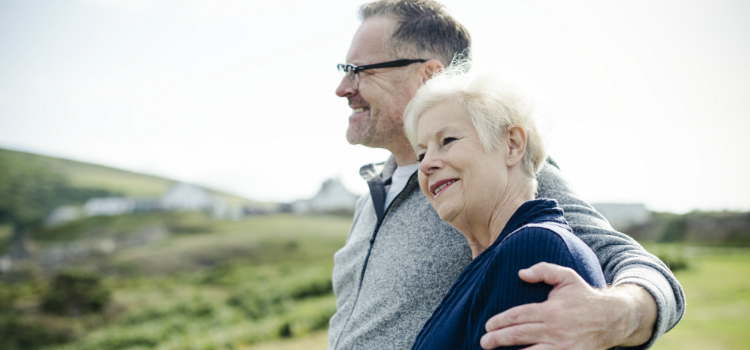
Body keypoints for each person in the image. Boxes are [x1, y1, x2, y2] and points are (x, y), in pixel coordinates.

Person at [329, 1, 685, 349]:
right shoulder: (371, 196)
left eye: (358, 70)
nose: (343, 88)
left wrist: (616, 317)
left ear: (431, 75)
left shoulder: (498, 170)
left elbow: (630, 263)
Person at [405, 65, 607, 349]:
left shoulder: (533, 250)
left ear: (512, 145)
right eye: (421, 154)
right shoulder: (493, 261)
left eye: (447, 140)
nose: (426, 164)